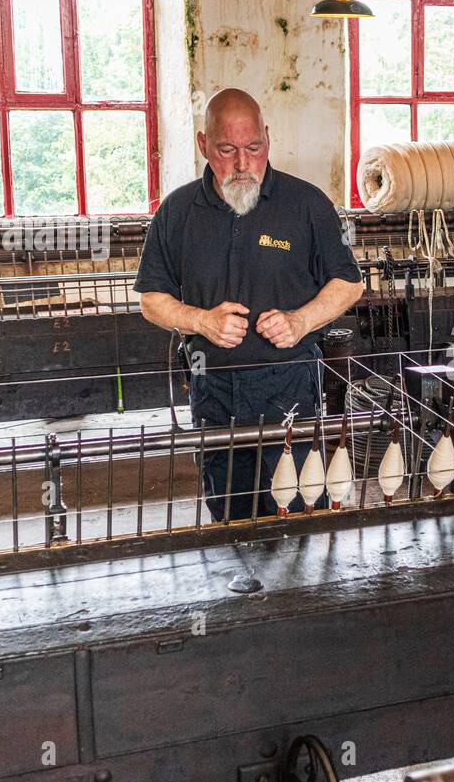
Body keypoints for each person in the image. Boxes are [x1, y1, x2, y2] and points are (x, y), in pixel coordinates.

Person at [134, 88, 363, 520]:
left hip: (289, 385)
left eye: (253, 148)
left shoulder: (307, 205)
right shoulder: (178, 212)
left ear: (268, 139)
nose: (242, 164)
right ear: (203, 144)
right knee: (229, 514)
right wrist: (200, 321)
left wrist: (300, 320)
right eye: (226, 150)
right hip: (213, 388)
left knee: (293, 508)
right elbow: (152, 300)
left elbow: (349, 284)